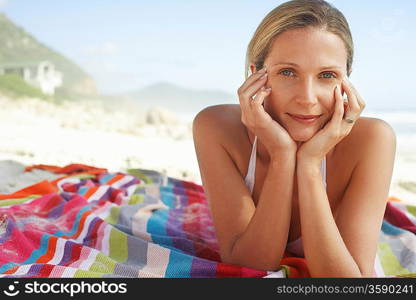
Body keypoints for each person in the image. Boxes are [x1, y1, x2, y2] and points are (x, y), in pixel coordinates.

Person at [192, 0, 396, 277]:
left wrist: (310, 164)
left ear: (346, 82)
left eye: (327, 75)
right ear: (256, 76)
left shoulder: (373, 140)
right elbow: (250, 265)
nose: (308, 99)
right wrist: (283, 155)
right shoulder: (216, 128)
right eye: (288, 72)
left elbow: (349, 282)